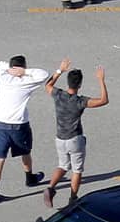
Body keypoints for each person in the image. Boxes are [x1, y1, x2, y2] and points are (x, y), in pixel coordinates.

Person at [43, 58, 109, 207]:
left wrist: (60, 70)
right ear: (79, 85)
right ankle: (73, 198)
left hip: (60, 138)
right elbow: (104, 100)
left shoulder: (58, 95)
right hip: (75, 139)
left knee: (62, 166)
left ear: (68, 83)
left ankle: (51, 187)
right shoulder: (80, 101)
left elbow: (48, 85)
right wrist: (101, 80)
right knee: (77, 170)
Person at [0, 56, 50, 204]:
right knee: (25, 152)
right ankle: (29, 177)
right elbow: (44, 74)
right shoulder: (26, 82)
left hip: (1, 124)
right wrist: (25, 72)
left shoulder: (2, 77)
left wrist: (9, 69)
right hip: (19, 125)